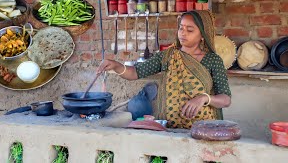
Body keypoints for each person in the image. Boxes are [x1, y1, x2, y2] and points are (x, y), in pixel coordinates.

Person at [97, 10, 231, 129]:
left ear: (203, 35)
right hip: (170, 128)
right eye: (181, 28)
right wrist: (116, 65)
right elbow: (135, 72)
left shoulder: (213, 60)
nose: (183, 33)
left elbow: (225, 99)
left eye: (189, 30)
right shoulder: (167, 56)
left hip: (202, 129)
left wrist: (204, 98)